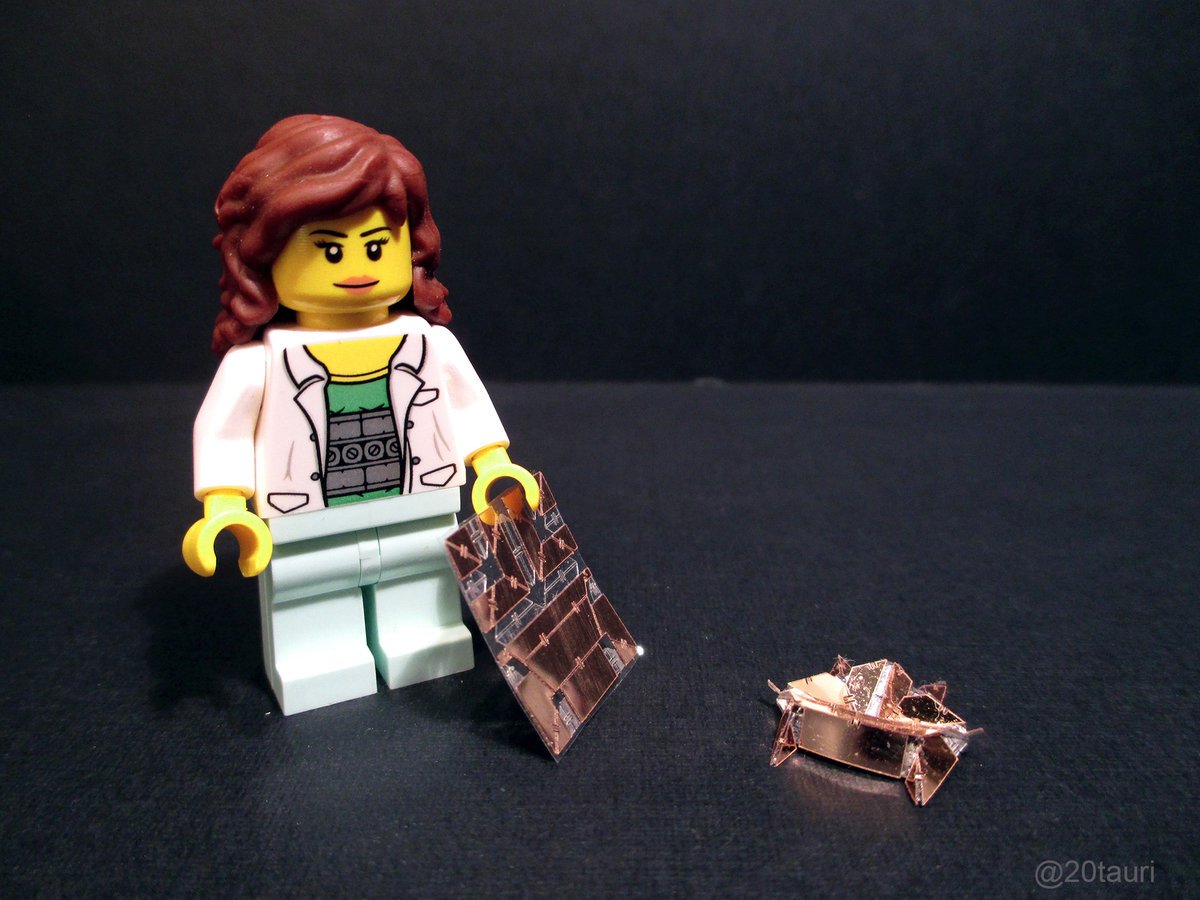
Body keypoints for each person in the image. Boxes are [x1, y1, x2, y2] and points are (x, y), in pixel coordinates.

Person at [182, 115, 538, 715]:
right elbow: (224, 431)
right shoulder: (260, 363)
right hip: (306, 512)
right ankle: (318, 656)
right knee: (309, 587)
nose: (357, 266)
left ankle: (422, 639)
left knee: (423, 576)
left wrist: (492, 464)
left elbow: (467, 406)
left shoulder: (430, 344)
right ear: (263, 257)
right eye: (328, 248)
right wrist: (224, 506)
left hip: (418, 501)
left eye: (376, 246)